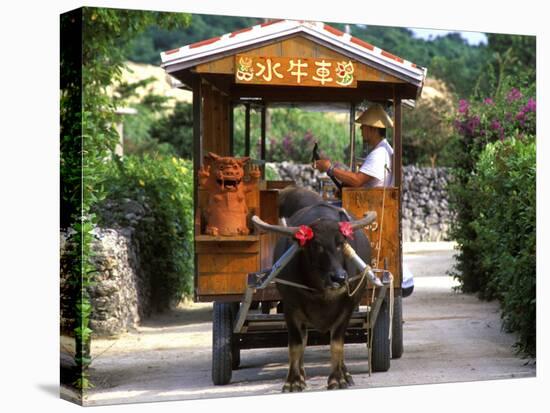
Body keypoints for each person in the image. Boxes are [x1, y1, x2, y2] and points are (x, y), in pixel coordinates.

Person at [314, 103, 394, 187]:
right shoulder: (383, 149)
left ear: (373, 129)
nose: (361, 128)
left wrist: (329, 168)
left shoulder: (379, 154)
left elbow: (357, 180)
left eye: (363, 125)